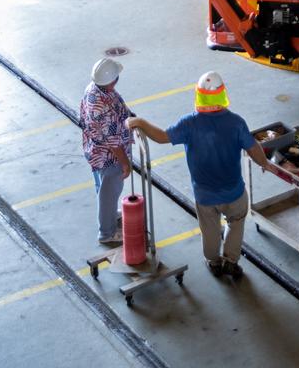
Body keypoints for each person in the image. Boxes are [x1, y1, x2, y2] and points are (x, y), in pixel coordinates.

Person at [126, 71, 281, 279]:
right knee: (236, 222)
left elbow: (162, 137)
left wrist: (140, 122)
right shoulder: (236, 123)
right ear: (222, 94)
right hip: (234, 191)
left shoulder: (189, 123)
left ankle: (214, 262)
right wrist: (265, 164)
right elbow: (253, 149)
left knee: (209, 230)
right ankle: (230, 261)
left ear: (198, 95)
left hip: (205, 195)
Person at [79, 56, 132, 247]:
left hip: (94, 150)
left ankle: (108, 215)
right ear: (112, 80)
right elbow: (113, 141)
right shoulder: (102, 107)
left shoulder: (94, 89)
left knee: (103, 188)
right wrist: (125, 163)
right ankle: (107, 232)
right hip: (108, 157)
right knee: (110, 191)